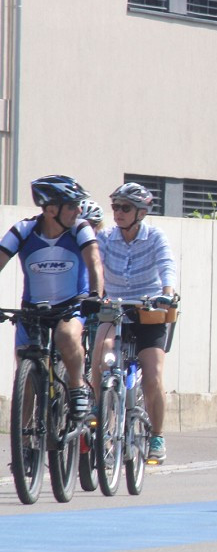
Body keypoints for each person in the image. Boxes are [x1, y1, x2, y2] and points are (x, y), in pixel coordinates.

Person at [0, 175, 103, 418]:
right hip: (33, 309)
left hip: (71, 305)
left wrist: (95, 295)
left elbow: (95, 262)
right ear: (50, 209)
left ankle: (76, 387)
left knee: (66, 335)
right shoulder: (23, 230)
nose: (78, 210)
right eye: (72, 205)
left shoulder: (80, 228)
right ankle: (24, 449)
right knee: (24, 384)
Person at [91, 182, 177, 464]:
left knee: (152, 376)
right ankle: (98, 416)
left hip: (149, 310)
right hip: (115, 308)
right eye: (115, 207)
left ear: (141, 212)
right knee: (100, 358)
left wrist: (167, 293)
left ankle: (157, 436)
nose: (118, 212)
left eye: (125, 207)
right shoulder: (105, 238)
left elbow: (167, 265)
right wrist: (94, 295)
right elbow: (96, 267)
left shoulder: (155, 237)